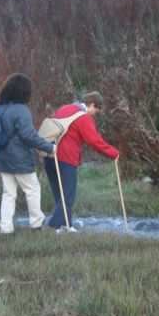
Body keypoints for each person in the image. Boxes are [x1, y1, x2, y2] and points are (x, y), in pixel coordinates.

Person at [44, 91, 119, 232]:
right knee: (68, 196)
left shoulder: (64, 108)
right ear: (91, 105)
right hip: (65, 159)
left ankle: (67, 226)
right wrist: (113, 153)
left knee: (60, 196)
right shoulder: (83, 117)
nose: (93, 114)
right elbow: (94, 141)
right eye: (95, 111)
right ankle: (52, 227)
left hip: (49, 156)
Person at [0, 73, 55, 234]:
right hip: (20, 159)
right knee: (32, 189)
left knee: (8, 193)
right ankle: (36, 225)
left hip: (2, 158)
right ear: (24, 91)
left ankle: (5, 228)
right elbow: (29, 136)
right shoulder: (22, 110)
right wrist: (50, 148)